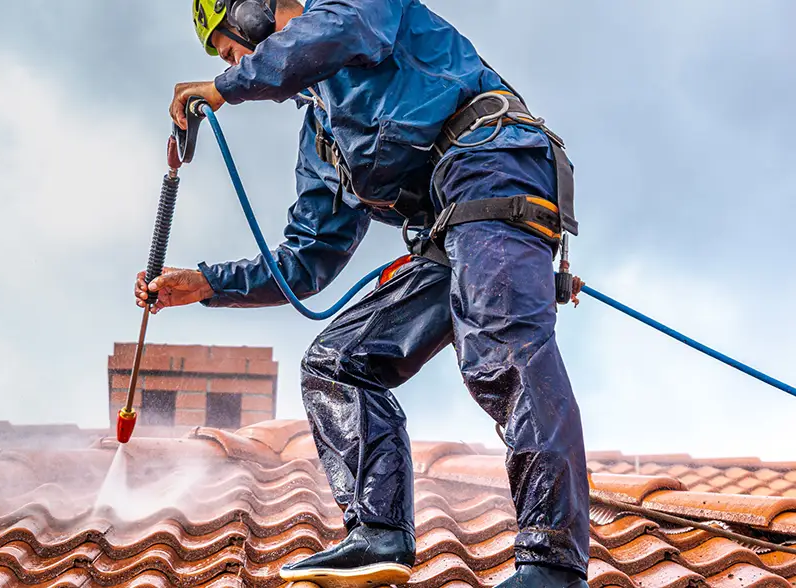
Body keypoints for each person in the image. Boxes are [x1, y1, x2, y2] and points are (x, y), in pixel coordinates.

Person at [134, 1, 590, 586]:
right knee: (336, 364)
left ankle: (552, 565)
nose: (238, 62)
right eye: (230, 61)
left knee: (499, 346)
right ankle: (378, 534)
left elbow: (341, 30)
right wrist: (204, 284)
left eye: (231, 49)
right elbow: (308, 259)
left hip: (493, 166)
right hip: (444, 228)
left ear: (250, 12)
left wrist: (229, 86)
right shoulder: (323, 133)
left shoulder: (351, 10)